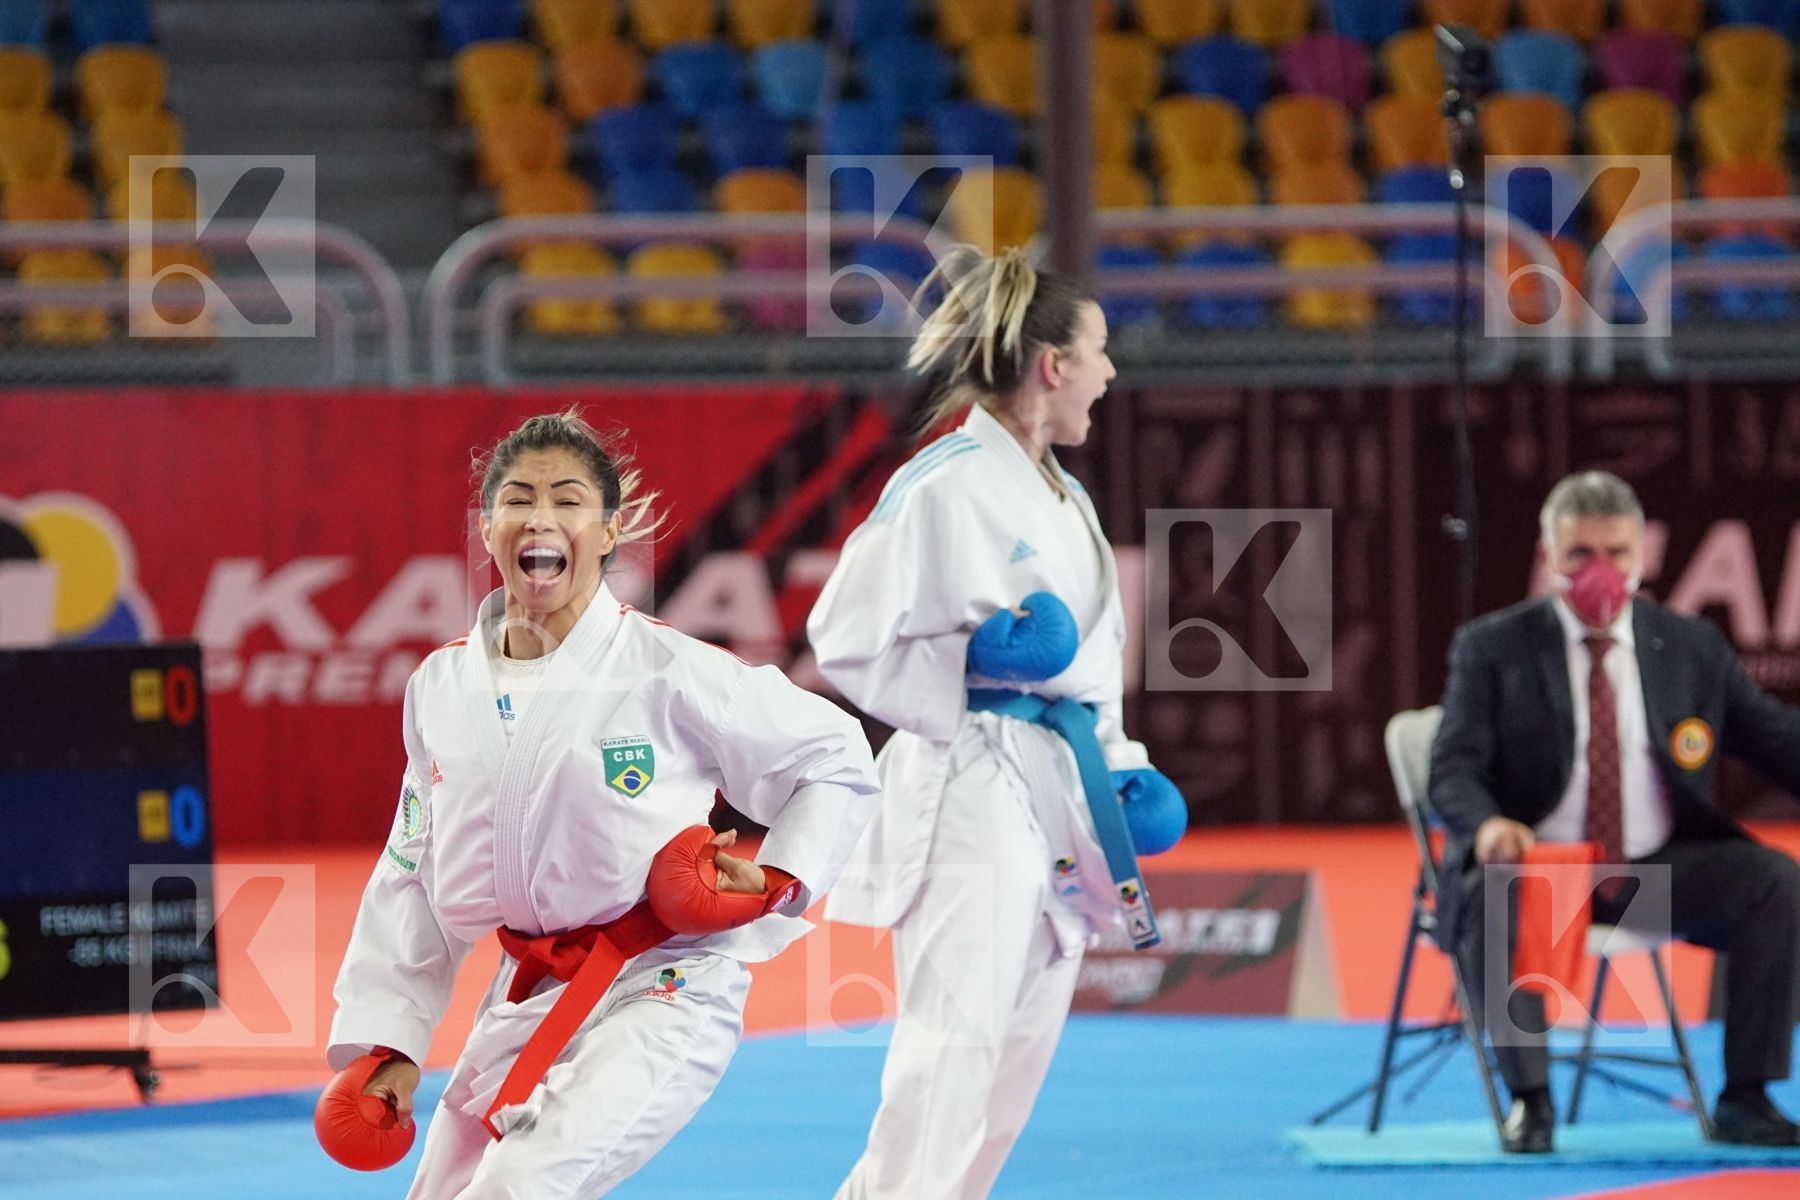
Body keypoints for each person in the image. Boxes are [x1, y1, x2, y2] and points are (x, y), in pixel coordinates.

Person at [324, 411, 880, 1198]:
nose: (540, 517)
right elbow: (411, 871)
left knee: (522, 1184)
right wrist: (390, 1042)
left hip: (666, 981)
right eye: (517, 499)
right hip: (532, 990)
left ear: (611, 528)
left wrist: (783, 873)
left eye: (568, 499)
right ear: (488, 529)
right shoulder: (442, 689)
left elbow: (833, 755)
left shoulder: (666, 667)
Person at [808, 246, 1189, 1198]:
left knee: (1016, 1054)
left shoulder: (1070, 502)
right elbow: (843, 634)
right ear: (1051, 364)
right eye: (1098, 351)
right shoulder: (941, 483)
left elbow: (1090, 672)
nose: (1111, 373)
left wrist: (1120, 766)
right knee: (954, 1041)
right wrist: (968, 657)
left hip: (1058, 778)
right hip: (969, 768)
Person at [1431, 469, 1800, 1153]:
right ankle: (1530, 1102)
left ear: (1641, 556)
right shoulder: (1492, 648)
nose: (1601, 572)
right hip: (1536, 874)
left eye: (1617, 554)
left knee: (1775, 881)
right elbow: (1451, 767)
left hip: (1648, 876)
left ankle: (1746, 1097)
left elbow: (1775, 741)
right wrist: (1486, 825)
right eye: (1580, 556)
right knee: (1490, 894)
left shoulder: (1689, 646)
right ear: (1548, 557)